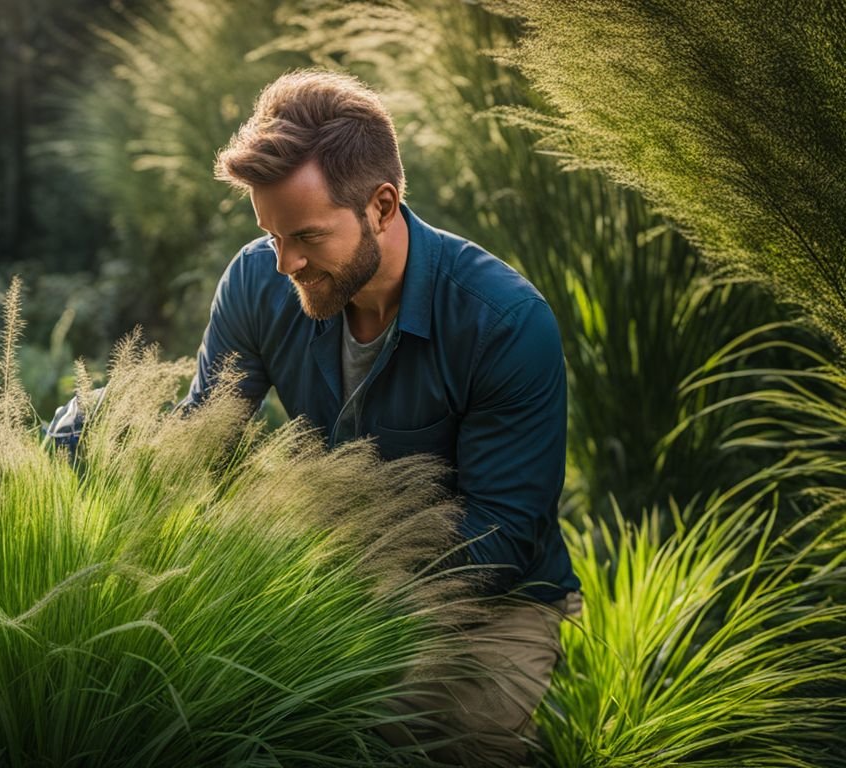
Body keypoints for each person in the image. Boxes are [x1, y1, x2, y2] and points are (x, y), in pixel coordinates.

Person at [48, 69, 581, 766]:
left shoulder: (505, 325)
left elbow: (501, 539)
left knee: (403, 733)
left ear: (382, 205)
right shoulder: (256, 279)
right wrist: (105, 431)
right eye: (270, 234)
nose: (286, 262)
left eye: (306, 236)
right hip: (329, 573)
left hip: (490, 604)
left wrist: (343, 607)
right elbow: (204, 437)